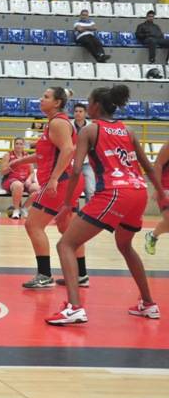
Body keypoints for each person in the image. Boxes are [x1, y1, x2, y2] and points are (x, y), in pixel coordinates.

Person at [47, 85, 163, 325]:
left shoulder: (90, 129)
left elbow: (76, 169)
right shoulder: (128, 130)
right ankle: (149, 304)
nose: (86, 105)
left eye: (89, 101)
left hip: (114, 192)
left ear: (96, 105)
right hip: (139, 191)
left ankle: (74, 307)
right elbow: (148, 167)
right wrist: (161, 194)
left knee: (66, 244)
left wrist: (67, 204)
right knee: (125, 246)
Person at [10, 87, 87, 289]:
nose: (41, 99)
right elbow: (45, 155)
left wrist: (53, 179)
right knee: (67, 228)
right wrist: (20, 161)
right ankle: (81, 275)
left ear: (57, 102)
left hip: (61, 181)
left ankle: (44, 275)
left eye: (46, 97)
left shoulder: (58, 123)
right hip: (68, 181)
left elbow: (68, 150)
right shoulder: (55, 123)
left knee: (33, 225)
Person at [0, 137, 40, 220]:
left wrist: (29, 180)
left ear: (23, 146)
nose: (18, 146)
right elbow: (3, 172)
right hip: (11, 180)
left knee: (38, 189)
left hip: (24, 180)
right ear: (14, 145)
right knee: (18, 185)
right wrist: (11, 166)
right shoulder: (8, 155)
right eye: (17, 144)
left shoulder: (27, 156)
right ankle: (16, 210)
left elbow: (32, 172)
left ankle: (24, 208)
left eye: (21, 144)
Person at [144, 140, 169, 255]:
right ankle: (153, 236)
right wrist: (157, 188)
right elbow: (158, 164)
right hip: (165, 188)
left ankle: (153, 235)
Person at [72, 102, 96, 202]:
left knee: (90, 190)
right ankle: (73, 211)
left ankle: (89, 212)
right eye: (76, 111)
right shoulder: (68, 125)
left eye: (80, 111)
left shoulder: (92, 126)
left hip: (87, 162)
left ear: (85, 113)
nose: (78, 113)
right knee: (72, 191)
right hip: (71, 163)